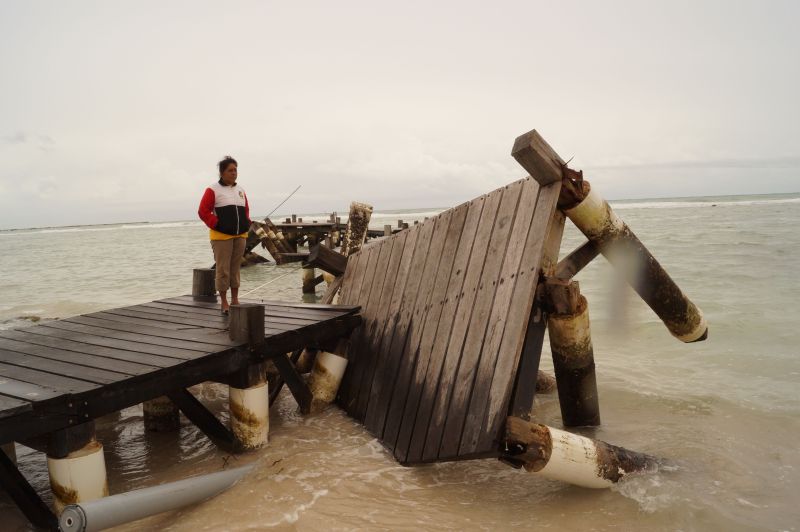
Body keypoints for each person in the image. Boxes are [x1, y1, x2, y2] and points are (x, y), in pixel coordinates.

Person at [198, 156, 251, 314]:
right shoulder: (213, 189)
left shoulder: (240, 190)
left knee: (235, 269)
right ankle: (224, 302)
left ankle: (235, 299)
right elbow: (203, 211)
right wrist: (217, 224)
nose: (234, 173)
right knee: (223, 270)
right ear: (222, 172)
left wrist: (247, 222)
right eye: (230, 170)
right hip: (221, 237)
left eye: (235, 170)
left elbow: (246, 210)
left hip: (240, 235)